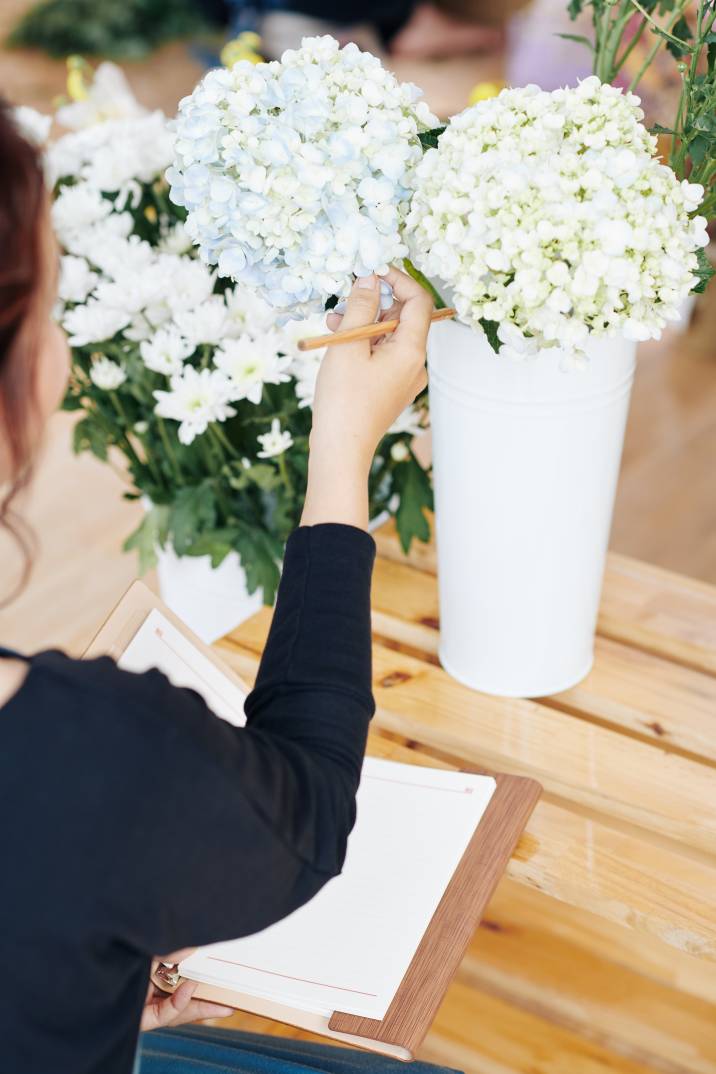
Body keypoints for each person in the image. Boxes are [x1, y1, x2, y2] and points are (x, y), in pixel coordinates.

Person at [0, 104, 451, 1074]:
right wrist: (342, 456)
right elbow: (310, 810)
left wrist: (71, 1007)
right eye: (51, 310)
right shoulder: (86, 760)